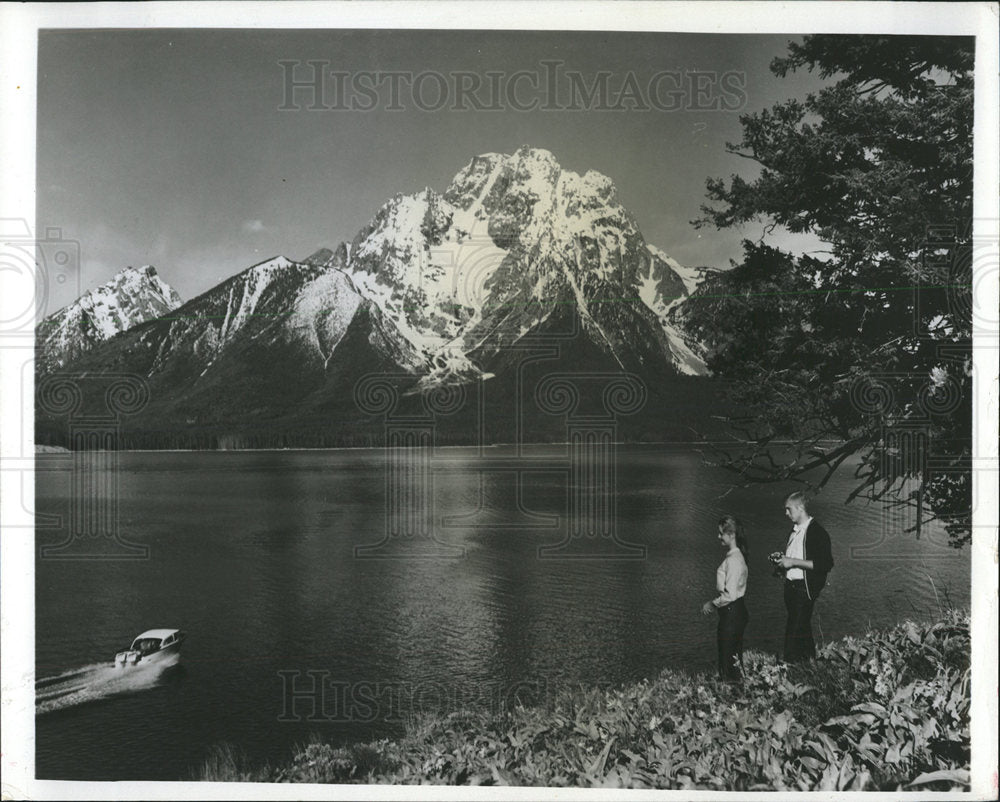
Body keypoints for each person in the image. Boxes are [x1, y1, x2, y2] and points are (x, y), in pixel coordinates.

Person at [776, 491, 834, 662]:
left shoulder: (817, 532)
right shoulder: (794, 531)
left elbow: (825, 564)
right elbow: (793, 561)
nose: (786, 513)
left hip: (804, 589)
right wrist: (782, 566)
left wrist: (792, 562)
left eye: (789, 509)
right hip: (791, 588)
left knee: (793, 631)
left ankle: (789, 666)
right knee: (802, 628)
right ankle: (809, 663)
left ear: (800, 508)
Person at [702, 515, 749, 682]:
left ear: (732, 535)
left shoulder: (734, 561)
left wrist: (712, 604)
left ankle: (731, 692)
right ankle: (736, 692)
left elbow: (730, 595)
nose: (719, 537)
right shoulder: (735, 557)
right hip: (735, 612)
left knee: (728, 658)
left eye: (721, 533)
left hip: (731, 612)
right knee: (732, 657)